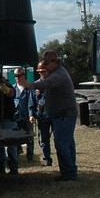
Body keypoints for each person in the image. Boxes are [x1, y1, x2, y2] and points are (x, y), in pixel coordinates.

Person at [27, 49, 78, 180]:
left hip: (63, 114)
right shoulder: (57, 72)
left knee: (62, 143)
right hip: (63, 114)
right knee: (67, 143)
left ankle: (68, 174)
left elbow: (46, 83)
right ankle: (70, 171)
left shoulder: (58, 75)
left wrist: (30, 84)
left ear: (54, 62)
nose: (45, 65)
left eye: (47, 63)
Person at [13, 68, 37, 162]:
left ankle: (30, 156)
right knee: (15, 136)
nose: (17, 78)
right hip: (16, 117)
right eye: (15, 76)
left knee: (29, 137)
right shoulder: (13, 88)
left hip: (27, 116)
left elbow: (31, 102)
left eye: (19, 75)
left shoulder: (28, 89)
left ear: (24, 76)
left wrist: (31, 115)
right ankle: (18, 153)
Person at [32, 62, 53, 165]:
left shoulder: (54, 83)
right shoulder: (36, 85)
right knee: (43, 140)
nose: (42, 73)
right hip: (42, 115)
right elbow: (32, 101)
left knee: (59, 139)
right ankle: (47, 159)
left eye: (44, 71)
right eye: (40, 72)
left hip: (54, 114)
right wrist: (32, 114)